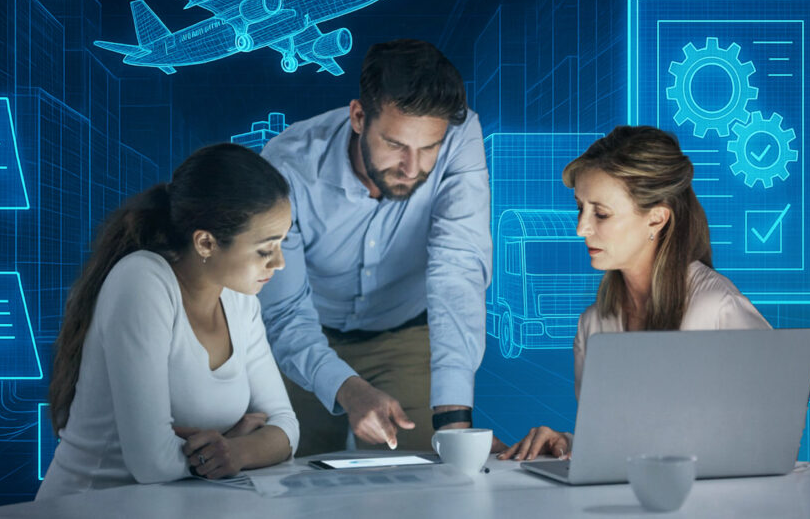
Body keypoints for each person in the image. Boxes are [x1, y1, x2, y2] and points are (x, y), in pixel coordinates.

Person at [257, 38, 491, 456]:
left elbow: (458, 268)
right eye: (396, 145)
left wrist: (454, 421)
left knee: (428, 477)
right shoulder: (286, 165)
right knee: (292, 476)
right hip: (307, 338)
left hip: (405, 333)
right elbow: (286, 312)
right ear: (359, 116)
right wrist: (348, 389)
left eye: (428, 148)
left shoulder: (460, 134)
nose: (413, 168)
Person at [37, 144, 299, 499]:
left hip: (178, 505)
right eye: (265, 250)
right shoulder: (142, 282)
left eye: (282, 244)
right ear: (206, 243)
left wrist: (234, 451)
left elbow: (286, 427)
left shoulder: (239, 299)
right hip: (92, 506)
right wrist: (235, 441)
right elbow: (152, 464)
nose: (279, 263)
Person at [497, 125, 771, 461]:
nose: (581, 228)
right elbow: (617, 444)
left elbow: (769, 443)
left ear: (656, 219)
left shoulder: (717, 310)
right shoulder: (593, 325)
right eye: (579, 208)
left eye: (601, 213)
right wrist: (567, 442)